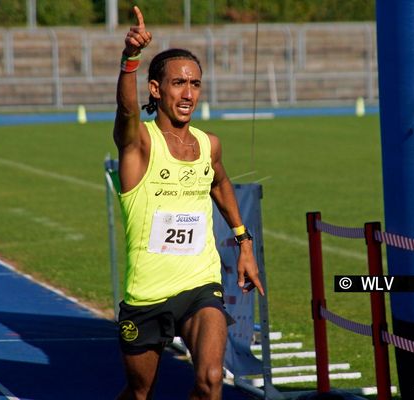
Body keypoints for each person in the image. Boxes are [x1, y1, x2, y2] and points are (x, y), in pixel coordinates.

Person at [113, 6, 264, 400]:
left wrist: (243, 241)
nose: (188, 93)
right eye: (178, 83)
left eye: (195, 84)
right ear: (156, 89)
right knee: (141, 391)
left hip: (200, 284)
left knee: (212, 378)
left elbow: (221, 182)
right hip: (147, 293)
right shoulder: (140, 145)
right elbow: (126, 111)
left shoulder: (208, 144)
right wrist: (131, 58)